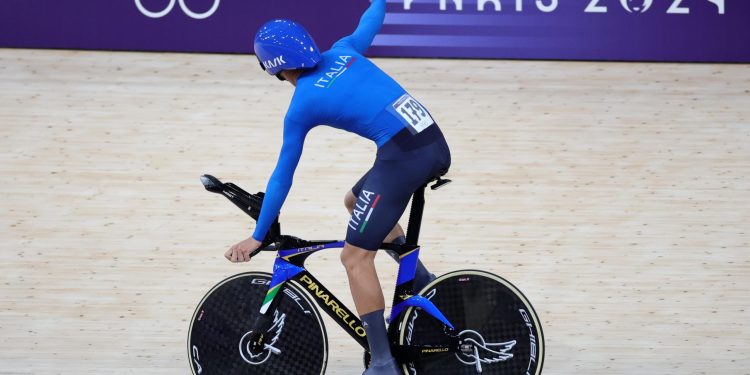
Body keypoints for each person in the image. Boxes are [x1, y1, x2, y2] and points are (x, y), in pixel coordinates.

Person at [225, 1, 451, 374]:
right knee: (355, 200)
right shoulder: (344, 50)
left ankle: (382, 363)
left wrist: (258, 235)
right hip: (432, 144)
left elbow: (282, 175)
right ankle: (423, 281)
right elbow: (371, 21)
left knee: (354, 257)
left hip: (403, 158)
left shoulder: (303, 103)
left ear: (274, 69)